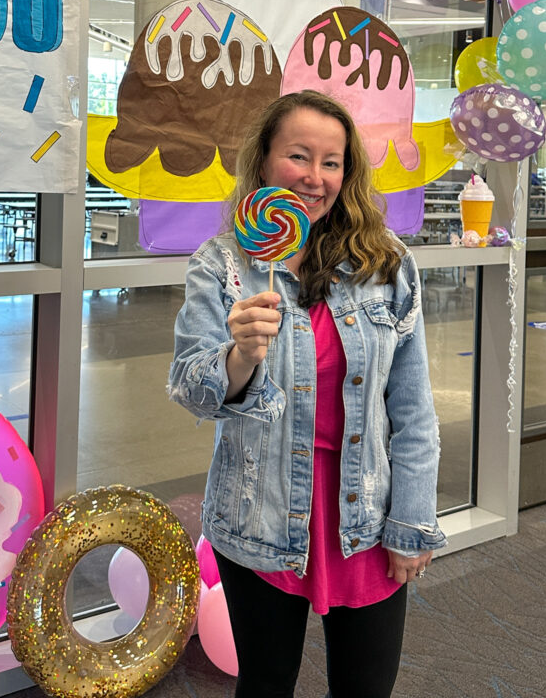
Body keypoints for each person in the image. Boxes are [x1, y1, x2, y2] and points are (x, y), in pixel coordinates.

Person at [169, 90, 445, 698]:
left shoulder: (386, 263)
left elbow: (413, 409)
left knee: (366, 686)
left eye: (332, 162)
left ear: (348, 174)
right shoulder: (223, 265)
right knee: (266, 683)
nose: (314, 178)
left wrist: (412, 519)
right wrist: (239, 356)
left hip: (364, 510)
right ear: (265, 160)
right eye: (298, 156)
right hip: (258, 512)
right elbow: (192, 390)